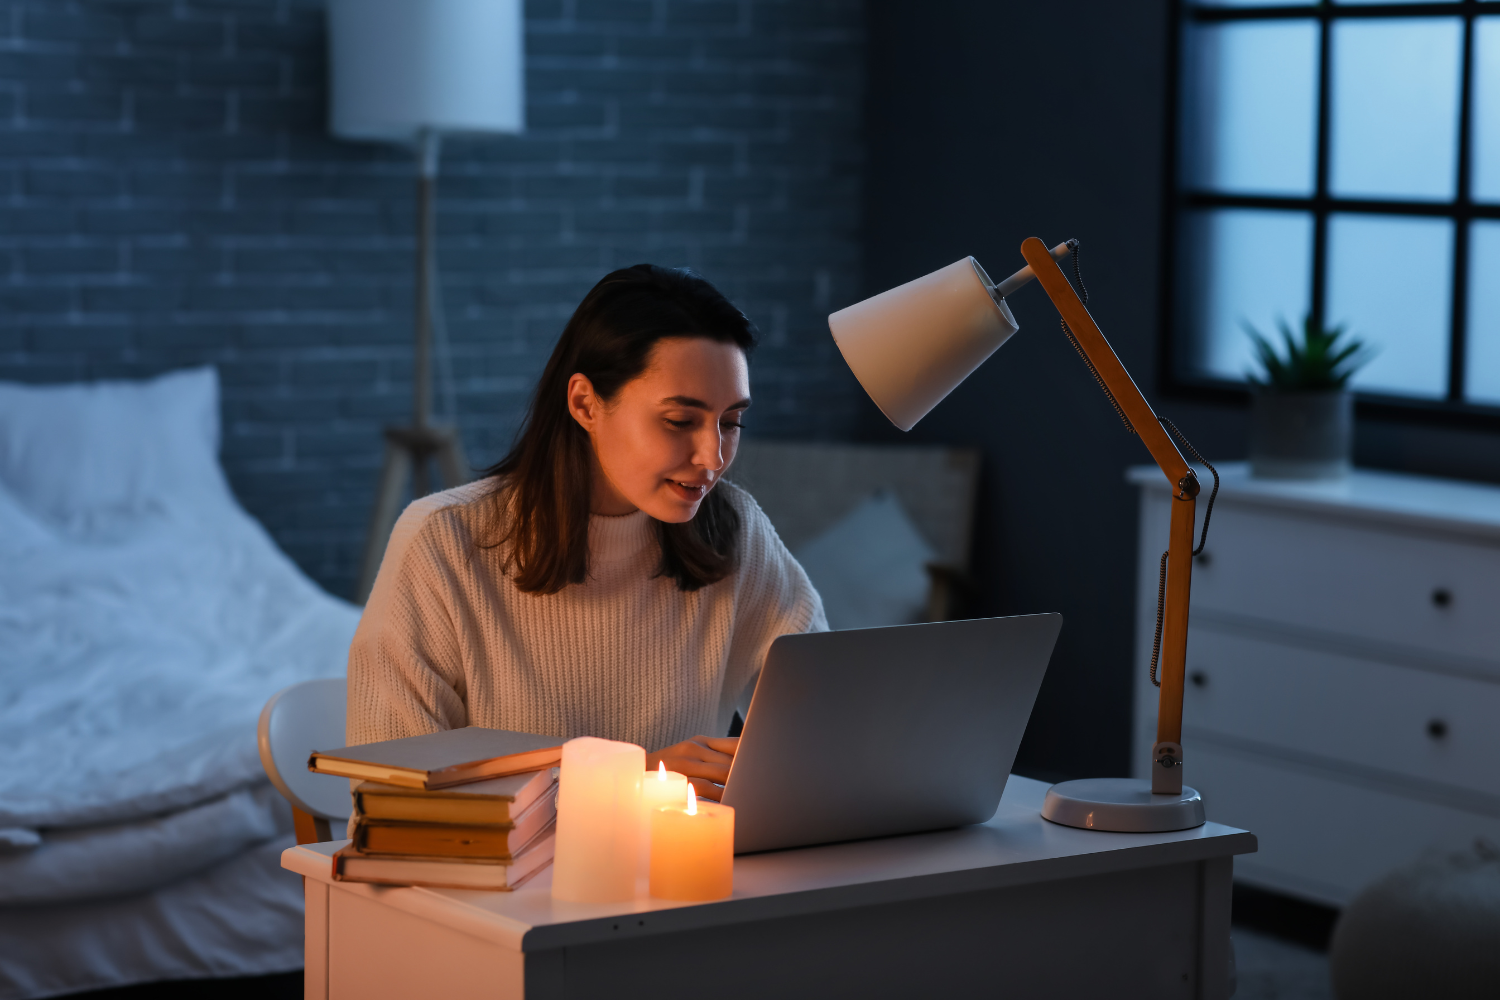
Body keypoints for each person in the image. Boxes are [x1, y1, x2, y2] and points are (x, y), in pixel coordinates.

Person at [347, 264, 827, 799]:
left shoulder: (735, 532)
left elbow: (829, 721)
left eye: (731, 422)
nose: (712, 457)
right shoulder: (442, 543)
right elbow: (392, 799)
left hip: (678, 877)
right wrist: (631, 782)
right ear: (584, 403)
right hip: (495, 880)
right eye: (679, 421)